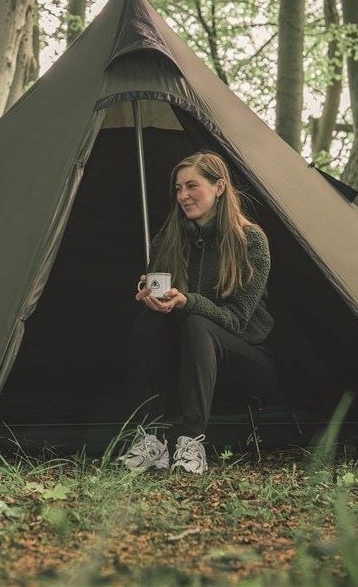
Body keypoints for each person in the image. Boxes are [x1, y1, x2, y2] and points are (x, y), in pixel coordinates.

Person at [119, 151, 275, 474]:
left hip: (246, 360)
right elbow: (167, 304)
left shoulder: (251, 241)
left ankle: (191, 441)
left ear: (219, 187)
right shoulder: (169, 237)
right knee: (148, 323)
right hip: (188, 358)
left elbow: (237, 319)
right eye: (178, 189)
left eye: (192, 186)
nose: (183, 196)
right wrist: (153, 298)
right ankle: (154, 440)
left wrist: (186, 301)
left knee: (197, 324)